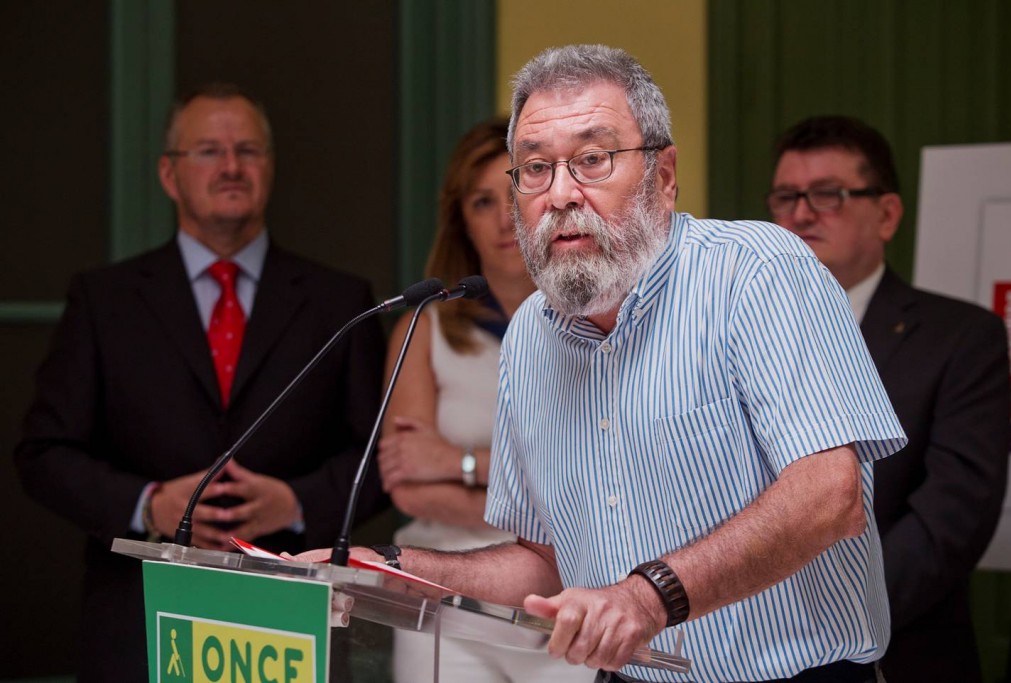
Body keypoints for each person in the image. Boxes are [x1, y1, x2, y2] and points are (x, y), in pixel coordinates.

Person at [305, 45, 908, 683]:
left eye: (593, 160)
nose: (561, 193)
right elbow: (546, 560)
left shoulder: (756, 271)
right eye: (535, 168)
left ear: (664, 175)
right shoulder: (531, 337)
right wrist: (397, 572)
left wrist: (645, 597)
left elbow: (828, 496)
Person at [14, 83, 387, 681]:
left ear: (269, 167)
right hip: (136, 615)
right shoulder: (103, 300)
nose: (232, 167)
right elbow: (43, 454)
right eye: (209, 151)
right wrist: (148, 504)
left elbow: (380, 457)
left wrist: (294, 503)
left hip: (293, 612)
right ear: (169, 174)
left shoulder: (340, 301)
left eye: (248, 150)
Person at [768, 115, 1011, 683]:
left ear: (887, 214)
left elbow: (950, 520)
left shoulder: (961, 338)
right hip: (736, 655)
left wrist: (818, 623)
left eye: (828, 195)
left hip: (896, 654)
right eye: (786, 196)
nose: (801, 213)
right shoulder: (727, 332)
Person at [375, 118, 590, 682]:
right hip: (443, 596)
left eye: (516, 189)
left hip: (571, 597)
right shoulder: (423, 328)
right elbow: (407, 485)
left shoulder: (600, 322)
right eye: (480, 202)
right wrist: (543, 508)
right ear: (459, 223)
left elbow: (600, 483)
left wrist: (455, 463)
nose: (503, 219)